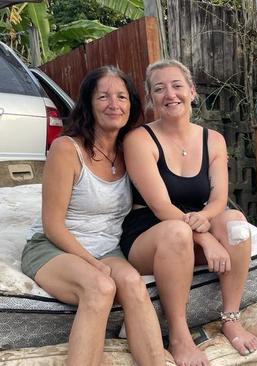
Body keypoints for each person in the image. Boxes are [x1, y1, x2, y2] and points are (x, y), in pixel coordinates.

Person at [21, 66, 166, 366]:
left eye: (122, 97)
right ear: (88, 104)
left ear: (131, 105)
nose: (114, 104)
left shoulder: (131, 152)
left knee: (133, 284)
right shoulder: (66, 149)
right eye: (103, 96)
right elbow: (52, 225)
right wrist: (94, 265)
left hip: (107, 248)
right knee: (100, 287)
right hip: (54, 247)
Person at [119, 59, 257, 366]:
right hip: (151, 233)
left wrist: (207, 220)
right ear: (151, 98)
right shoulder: (138, 139)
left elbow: (219, 198)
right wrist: (206, 240)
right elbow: (161, 206)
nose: (170, 94)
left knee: (236, 223)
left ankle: (230, 317)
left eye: (177, 85)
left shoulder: (214, 140)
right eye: (159, 88)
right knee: (179, 231)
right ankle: (180, 335)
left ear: (192, 91)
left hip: (195, 223)